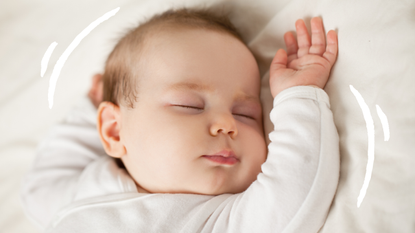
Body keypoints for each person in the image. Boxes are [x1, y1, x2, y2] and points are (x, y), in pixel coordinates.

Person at [21, 8, 339, 232]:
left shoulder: (221, 218)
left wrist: (297, 97)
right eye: (190, 106)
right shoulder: (88, 188)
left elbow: (293, 195)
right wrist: (89, 110)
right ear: (115, 131)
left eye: (246, 114)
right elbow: (40, 188)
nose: (226, 124)